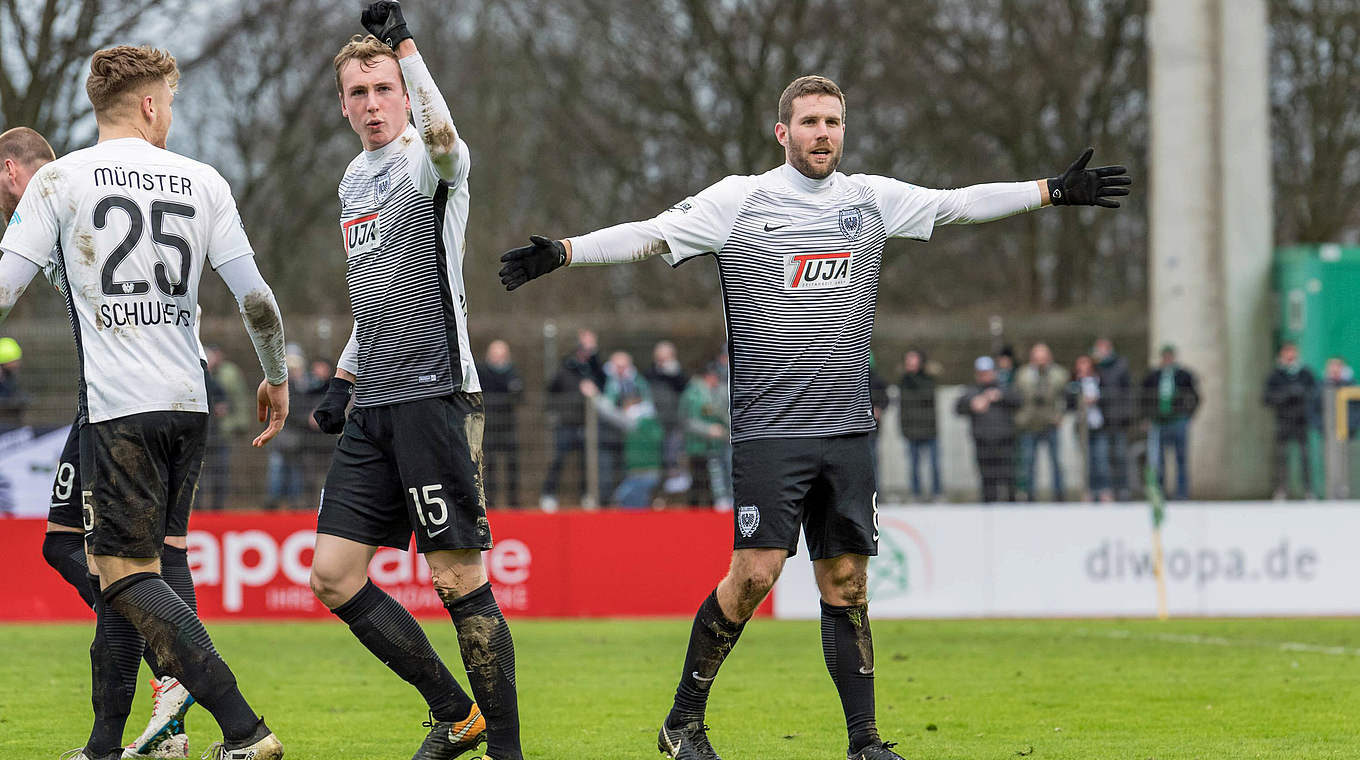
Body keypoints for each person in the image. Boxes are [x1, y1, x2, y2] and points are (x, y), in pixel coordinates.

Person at [497, 73, 1129, 760]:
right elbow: (650, 236)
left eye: (832, 122)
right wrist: (564, 250)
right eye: (809, 122)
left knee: (848, 582)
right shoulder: (740, 201)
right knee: (754, 577)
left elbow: (957, 205)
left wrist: (1051, 190)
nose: (822, 133)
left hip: (848, 429)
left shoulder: (871, 199)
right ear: (783, 132)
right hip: (770, 432)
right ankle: (683, 723)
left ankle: (864, 743)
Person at [0, 46, 289, 760]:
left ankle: (244, 729)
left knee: (124, 577)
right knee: (132, 567)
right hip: (189, 406)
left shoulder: (60, 181)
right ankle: (111, 745)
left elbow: (4, 290)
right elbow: (256, 299)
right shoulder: (204, 180)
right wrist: (276, 376)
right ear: (152, 104)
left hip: (119, 408)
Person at [305, 6, 519, 759]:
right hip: (376, 403)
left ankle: (507, 752)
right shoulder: (349, 182)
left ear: (404, 92)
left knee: (459, 580)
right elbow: (380, 292)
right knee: (331, 577)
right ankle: (455, 714)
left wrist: (407, 48)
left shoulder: (431, 161)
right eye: (357, 92)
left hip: (435, 394)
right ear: (342, 102)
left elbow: (447, 139)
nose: (371, 104)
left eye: (383, 88)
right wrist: (344, 376)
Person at [4, 125, 206, 759]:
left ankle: (174, 672)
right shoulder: (95, 195)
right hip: (166, 392)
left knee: (108, 558)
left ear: (13, 172)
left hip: (118, 404)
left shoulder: (54, 199)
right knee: (97, 554)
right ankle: (160, 707)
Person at [541, 328, 607, 509]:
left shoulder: (596, 370)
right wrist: (554, 413)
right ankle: (548, 494)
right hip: (566, 422)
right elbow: (551, 391)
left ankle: (587, 495)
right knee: (559, 459)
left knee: (587, 462)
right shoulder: (566, 368)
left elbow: (604, 384)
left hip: (587, 423)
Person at [583, 379, 664, 508]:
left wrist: (594, 396)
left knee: (625, 503)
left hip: (640, 474)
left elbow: (611, 413)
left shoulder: (635, 420)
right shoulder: (652, 417)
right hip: (652, 472)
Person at [956, 357, 1020, 503]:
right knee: (987, 481)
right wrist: (972, 404)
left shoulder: (1003, 388)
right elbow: (958, 407)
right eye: (981, 373)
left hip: (1005, 442)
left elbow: (1018, 400)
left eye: (987, 372)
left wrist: (1001, 396)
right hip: (983, 443)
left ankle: (1012, 508)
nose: (985, 375)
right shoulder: (972, 391)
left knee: (1009, 479)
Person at [1141, 344, 1199, 500]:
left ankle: (1182, 493)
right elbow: (1144, 398)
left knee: (1181, 459)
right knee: (1158, 460)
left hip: (1178, 421)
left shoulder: (1184, 375)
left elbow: (1195, 396)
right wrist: (1147, 417)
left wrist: (1188, 415)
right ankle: (1159, 493)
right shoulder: (1153, 376)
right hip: (1159, 422)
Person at [1263, 341, 1319, 500]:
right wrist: (1286, 394)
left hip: (1301, 421)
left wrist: (1302, 394)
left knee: (1305, 457)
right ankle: (1281, 489)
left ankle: (1308, 490)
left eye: (1292, 352)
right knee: (1281, 457)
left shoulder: (1305, 373)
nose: (1290, 356)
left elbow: (1314, 393)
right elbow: (1266, 397)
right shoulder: (1275, 375)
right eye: (1287, 353)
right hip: (1283, 420)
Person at [1014, 342, 1069, 501]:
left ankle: (1059, 495)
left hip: (1051, 423)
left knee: (1056, 461)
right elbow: (1016, 397)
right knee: (1028, 462)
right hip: (1029, 424)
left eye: (1043, 358)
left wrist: (1060, 415)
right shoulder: (1022, 375)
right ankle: (1029, 495)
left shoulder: (1060, 374)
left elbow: (1067, 397)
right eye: (1037, 358)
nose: (1040, 362)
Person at [478, 339, 524, 508]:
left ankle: (513, 501)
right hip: (488, 426)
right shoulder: (482, 372)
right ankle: (490, 501)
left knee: (512, 464)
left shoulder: (512, 372)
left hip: (507, 425)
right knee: (489, 466)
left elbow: (519, 394)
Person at [680, 361, 733, 509]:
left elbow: (719, 414)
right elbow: (688, 421)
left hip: (714, 445)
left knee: (714, 478)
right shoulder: (693, 394)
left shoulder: (714, 392)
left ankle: (716, 503)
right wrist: (708, 429)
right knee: (699, 481)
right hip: (697, 446)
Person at [646, 340, 692, 498]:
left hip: (675, 423)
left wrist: (674, 373)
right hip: (656, 424)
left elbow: (685, 391)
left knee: (674, 456)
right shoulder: (650, 374)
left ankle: (674, 492)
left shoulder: (679, 375)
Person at [1091, 337, 1133, 499]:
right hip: (1101, 421)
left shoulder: (1119, 366)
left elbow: (1120, 390)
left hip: (1118, 418)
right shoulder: (1095, 366)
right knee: (1101, 458)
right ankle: (1104, 490)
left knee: (1120, 455)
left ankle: (1122, 489)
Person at [897, 349, 940, 501]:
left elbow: (926, 395)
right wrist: (902, 427)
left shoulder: (927, 380)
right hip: (911, 430)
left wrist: (913, 377)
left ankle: (937, 493)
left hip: (929, 429)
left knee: (934, 465)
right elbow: (901, 407)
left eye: (913, 359)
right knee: (913, 466)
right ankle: (916, 494)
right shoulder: (903, 381)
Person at [1068, 354, 1110, 501]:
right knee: (1087, 461)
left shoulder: (1100, 380)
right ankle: (1088, 491)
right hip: (1082, 428)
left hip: (1098, 426)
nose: (1082, 367)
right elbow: (1069, 404)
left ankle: (1104, 490)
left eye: (1085, 364)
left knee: (1101, 459)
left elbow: (1109, 397)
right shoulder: (1074, 384)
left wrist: (1096, 399)